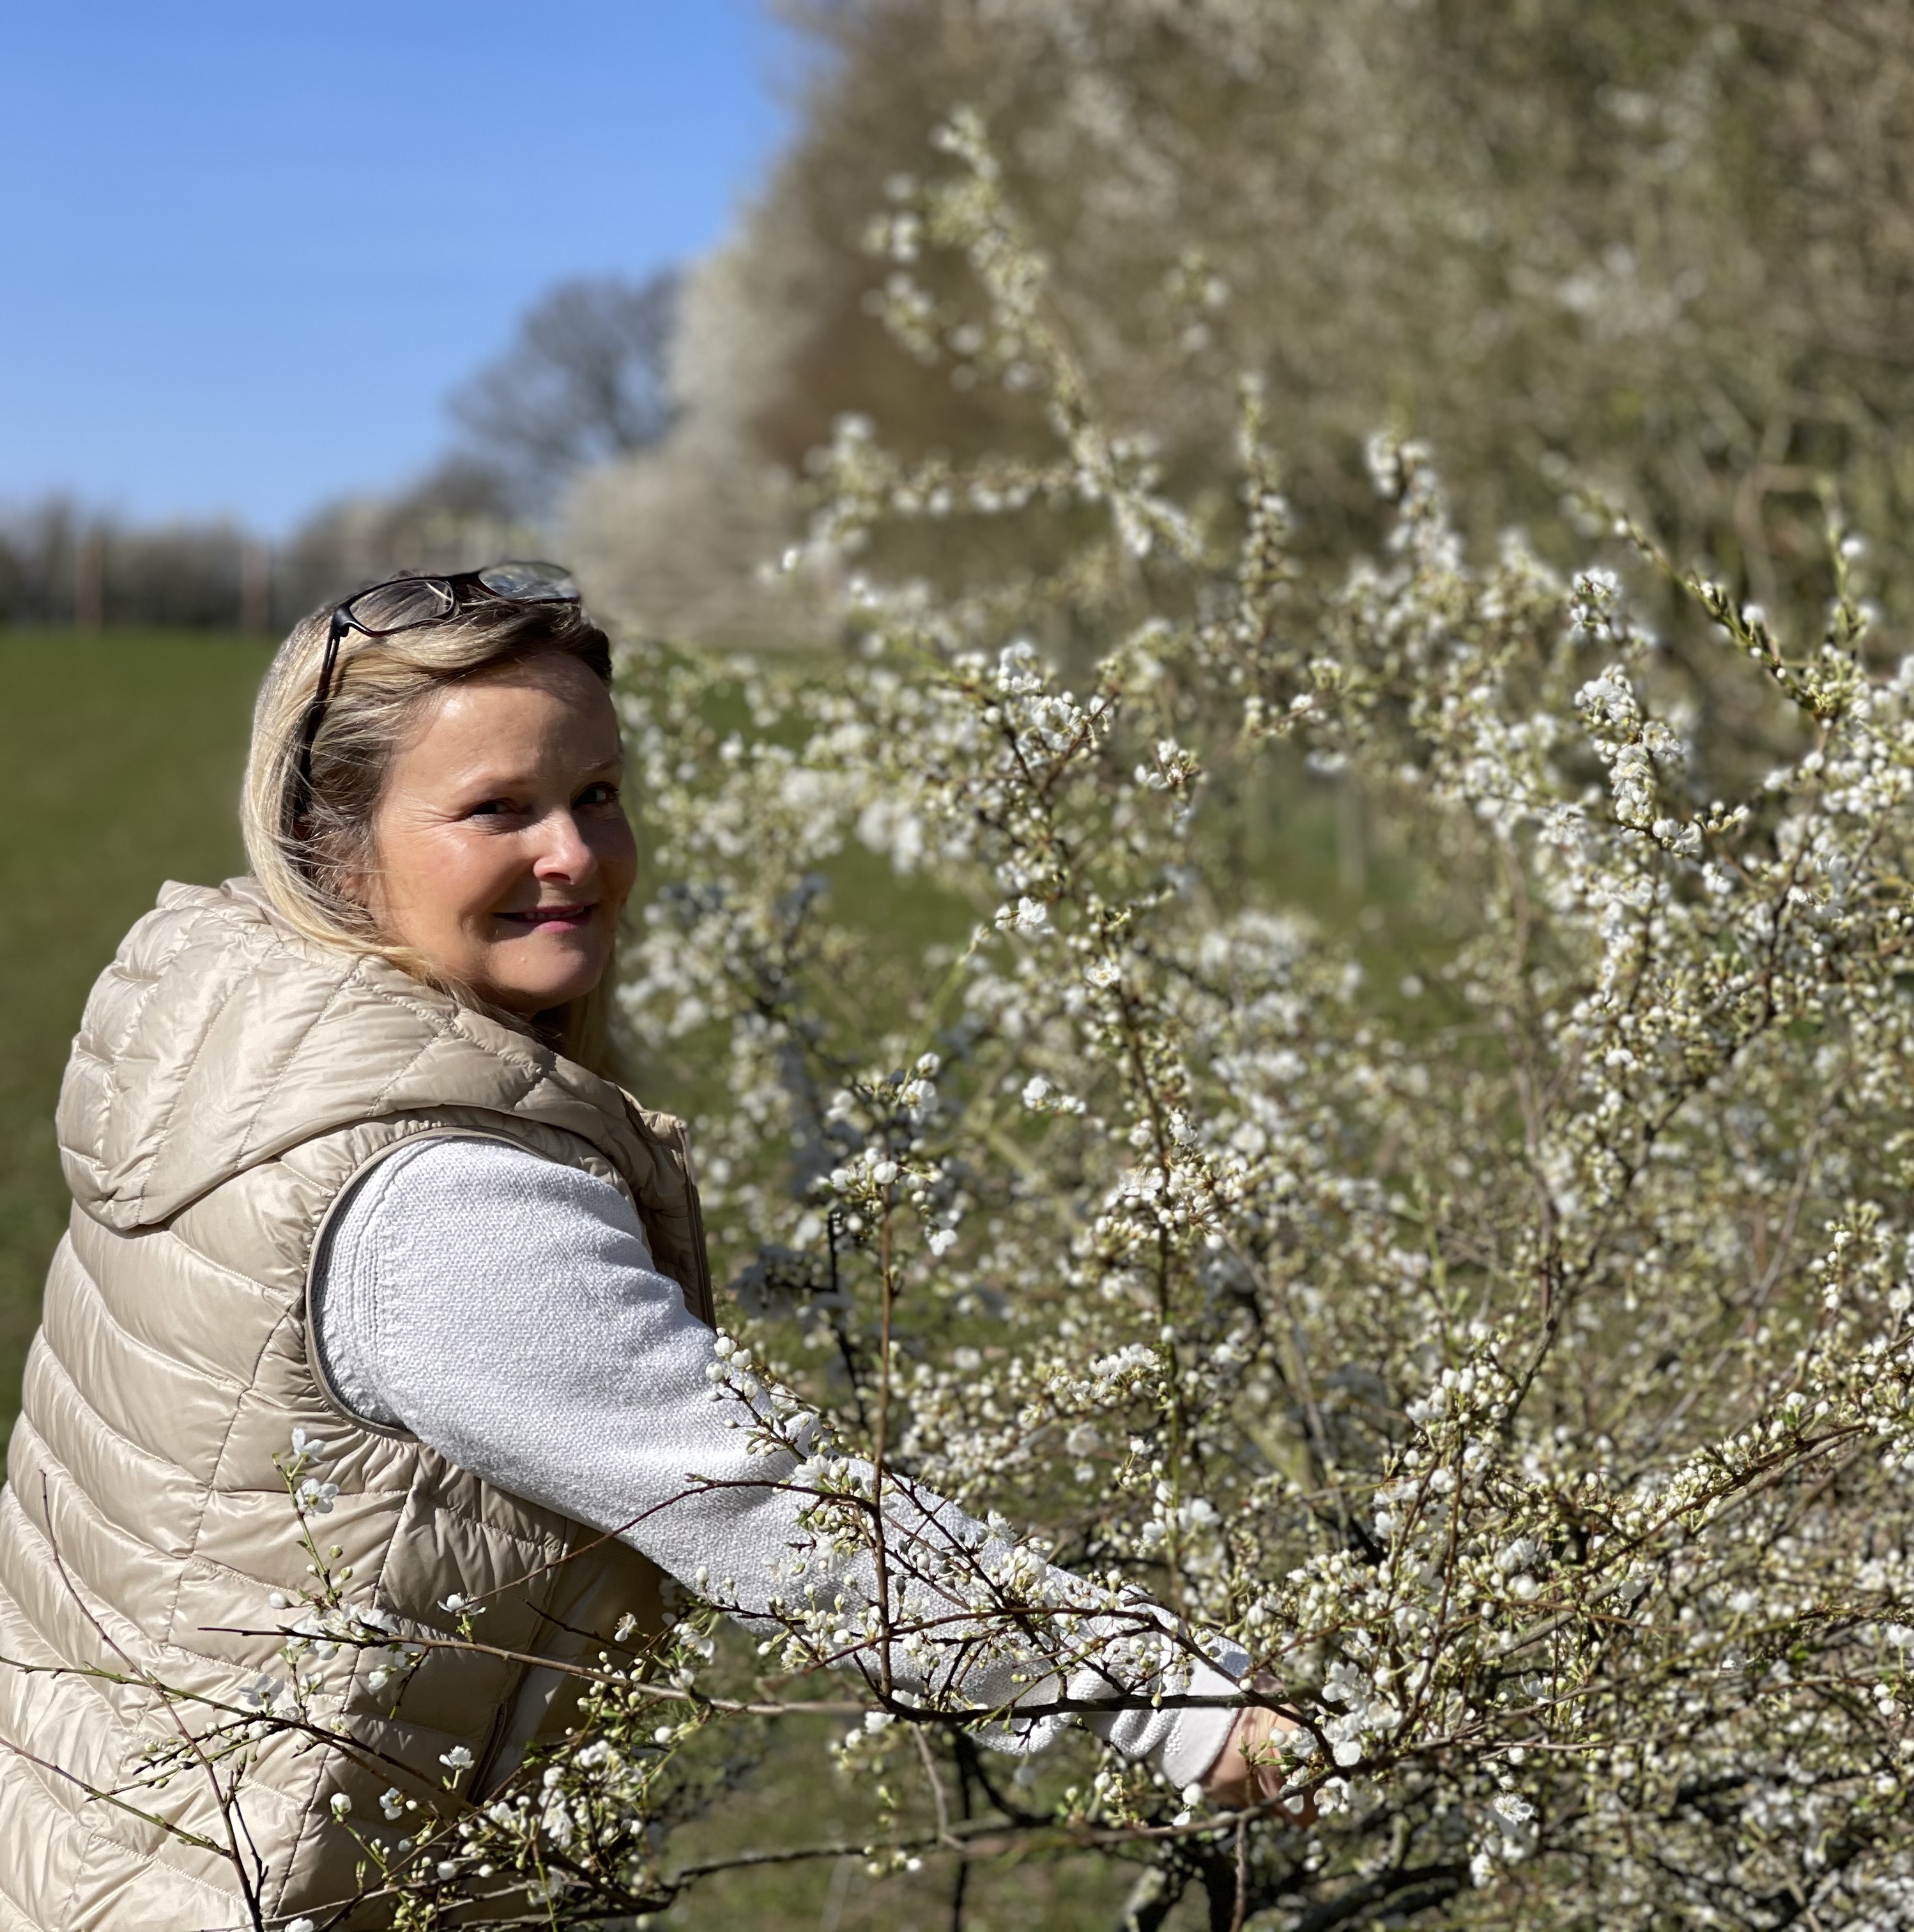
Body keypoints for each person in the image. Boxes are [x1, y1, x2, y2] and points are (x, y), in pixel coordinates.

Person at [0, 567, 1296, 1930]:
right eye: (498, 808)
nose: (574, 853)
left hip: (81, 1831)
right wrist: (1187, 1708)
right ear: (337, 845)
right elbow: (755, 1502)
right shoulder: (435, 1199)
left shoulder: (229, 1027)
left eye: (597, 793)